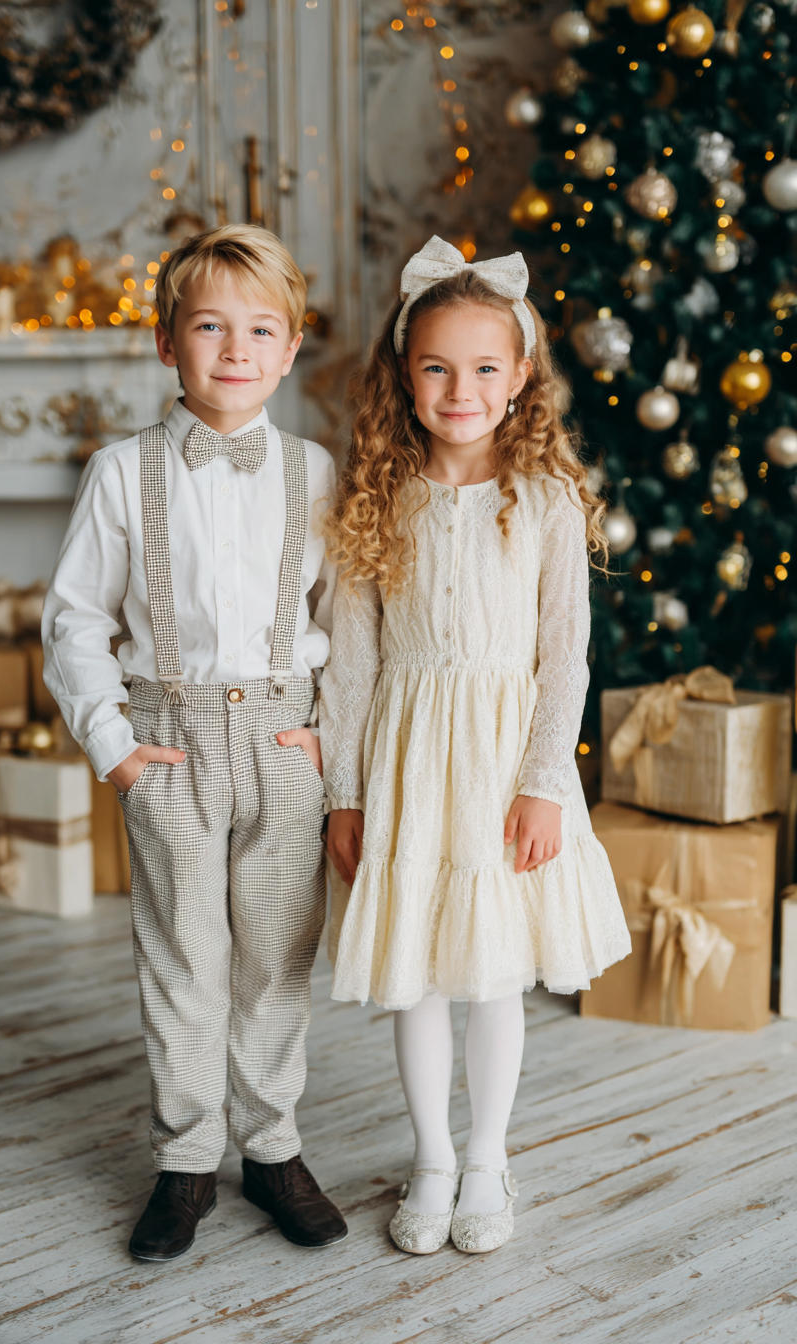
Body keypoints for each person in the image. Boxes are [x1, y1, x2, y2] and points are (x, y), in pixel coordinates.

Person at [320, 236, 630, 1257]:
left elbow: (564, 661)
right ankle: (432, 1159)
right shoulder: (375, 499)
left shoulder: (542, 503)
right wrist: (345, 795)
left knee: (492, 973)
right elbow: (352, 668)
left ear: (519, 379)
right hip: (406, 762)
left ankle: (487, 1158)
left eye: (483, 367)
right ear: (403, 377)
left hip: (501, 764)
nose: (459, 388)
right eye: (436, 367)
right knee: (414, 973)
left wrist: (544, 784)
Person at [42, 225, 348, 1261]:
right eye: (208, 325)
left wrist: (323, 740)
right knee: (183, 956)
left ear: (290, 346)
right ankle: (185, 1160)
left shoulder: (315, 473)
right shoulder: (121, 473)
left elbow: (345, 624)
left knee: (275, 952)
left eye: (258, 329)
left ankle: (271, 1146)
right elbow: (74, 618)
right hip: (165, 735)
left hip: (280, 734)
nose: (234, 348)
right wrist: (114, 748)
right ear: (166, 341)